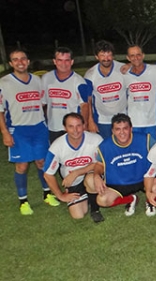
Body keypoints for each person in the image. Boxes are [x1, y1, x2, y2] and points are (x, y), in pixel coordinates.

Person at [0, 49, 59, 215]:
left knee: (41, 162)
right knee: (22, 165)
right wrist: (5, 132)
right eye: (15, 59)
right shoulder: (4, 83)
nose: (20, 62)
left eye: (23, 59)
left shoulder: (36, 80)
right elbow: (0, 110)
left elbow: (43, 103)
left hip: (38, 127)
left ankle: (47, 194)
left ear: (28, 61)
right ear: (11, 63)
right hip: (18, 129)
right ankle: (23, 201)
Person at [87, 114, 156, 222]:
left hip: (144, 179)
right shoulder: (105, 145)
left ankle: (149, 201)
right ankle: (131, 199)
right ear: (113, 131)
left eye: (125, 128)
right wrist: (96, 176)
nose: (122, 132)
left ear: (131, 129)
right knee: (102, 200)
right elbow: (100, 165)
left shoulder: (146, 139)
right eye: (118, 129)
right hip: (119, 183)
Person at [43, 113, 103, 220]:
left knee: (91, 180)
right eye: (71, 126)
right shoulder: (57, 146)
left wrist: (77, 172)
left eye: (78, 125)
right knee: (78, 215)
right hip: (73, 183)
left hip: (92, 175)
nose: (75, 130)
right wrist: (60, 196)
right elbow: (48, 174)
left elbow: (103, 163)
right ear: (65, 128)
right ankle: (90, 195)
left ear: (84, 126)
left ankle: (95, 209)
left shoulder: (96, 140)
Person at [41, 47, 89, 143]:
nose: (63, 64)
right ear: (54, 61)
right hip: (53, 126)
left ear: (72, 62)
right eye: (60, 60)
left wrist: (84, 125)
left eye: (67, 60)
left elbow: (84, 106)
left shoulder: (79, 81)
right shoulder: (46, 78)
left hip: (73, 128)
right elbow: (42, 103)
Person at [84, 40, 127, 139]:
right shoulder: (90, 74)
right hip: (102, 119)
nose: (106, 58)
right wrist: (90, 120)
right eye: (102, 55)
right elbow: (88, 99)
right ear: (96, 56)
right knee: (105, 147)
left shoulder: (123, 69)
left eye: (109, 55)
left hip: (123, 117)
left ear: (113, 56)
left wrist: (130, 65)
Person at [123, 45, 156, 136]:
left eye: (138, 55)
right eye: (132, 56)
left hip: (152, 122)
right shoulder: (124, 74)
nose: (136, 58)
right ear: (128, 58)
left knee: (153, 149)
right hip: (133, 123)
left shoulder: (155, 70)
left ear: (143, 55)